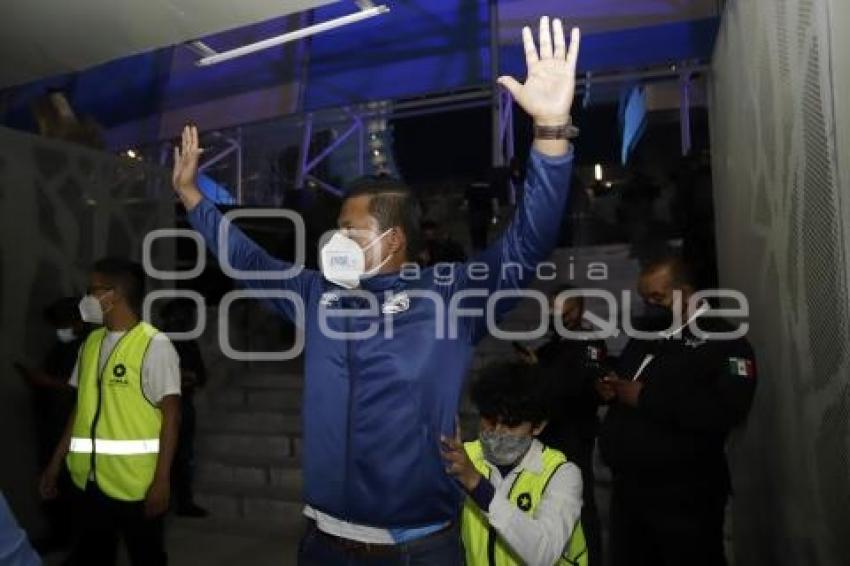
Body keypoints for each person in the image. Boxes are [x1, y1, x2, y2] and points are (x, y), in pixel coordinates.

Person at [173, 17, 581, 564]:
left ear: (392, 238)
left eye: (349, 228)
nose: (336, 238)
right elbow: (248, 260)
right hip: (321, 544)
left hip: (417, 548)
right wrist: (194, 200)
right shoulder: (319, 295)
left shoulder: (450, 295)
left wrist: (552, 133)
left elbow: (528, 241)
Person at [598, 257, 757, 566]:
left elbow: (728, 409)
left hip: (684, 495)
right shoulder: (647, 335)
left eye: (658, 297)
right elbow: (627, 378)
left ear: (686, 292)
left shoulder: (726, 342)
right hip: (629, 490)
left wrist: (646, 397)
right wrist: (611, 389)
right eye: (646, 299)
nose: (651, 306)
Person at [39, 258, 182, 566]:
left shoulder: (154, 346)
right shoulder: (90, 342)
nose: (86, 298)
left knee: (147, 557)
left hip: (135, 486)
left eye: (92, 290)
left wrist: (162, 480)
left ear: (112, 294)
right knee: (94, 555)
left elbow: (171, 415)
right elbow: (81, 407)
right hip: (88, 481)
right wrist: (55, 462)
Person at [441, 361, 586, 566]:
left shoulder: (562, 474)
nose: (498, 432)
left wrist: (477, 485)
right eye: (490, 420)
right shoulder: (466, 456)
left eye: (511, 423)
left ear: (538, 426)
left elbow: (544, 553)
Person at [516, 287, 607, 566]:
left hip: (574, 437)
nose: (557, 318)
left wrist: (540, 372)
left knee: (580, 505)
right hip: (546, 438)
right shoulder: (552, 347)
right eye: (552, 313)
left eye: (563, 313)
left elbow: (580, 388)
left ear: (578, 311)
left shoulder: (590, 343)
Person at [13, 297, 86, 553]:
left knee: (71, 488)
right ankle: (59, 536)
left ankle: (74, 542)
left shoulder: (89, 347)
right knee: (53, 486)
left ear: (79, 322)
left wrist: (45, 381)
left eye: (65, 323)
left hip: (72, 429)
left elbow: (82, 388)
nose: (61, 329)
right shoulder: (62, 347)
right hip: (53, 425)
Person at [161, 299, 209, 518]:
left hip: (184, 406)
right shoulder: (156, 343)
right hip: (160, 408)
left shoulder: (189, 343)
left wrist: (187, 378)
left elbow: (201, 376)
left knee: (184, 456)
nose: (183, 321)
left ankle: (183, 502)